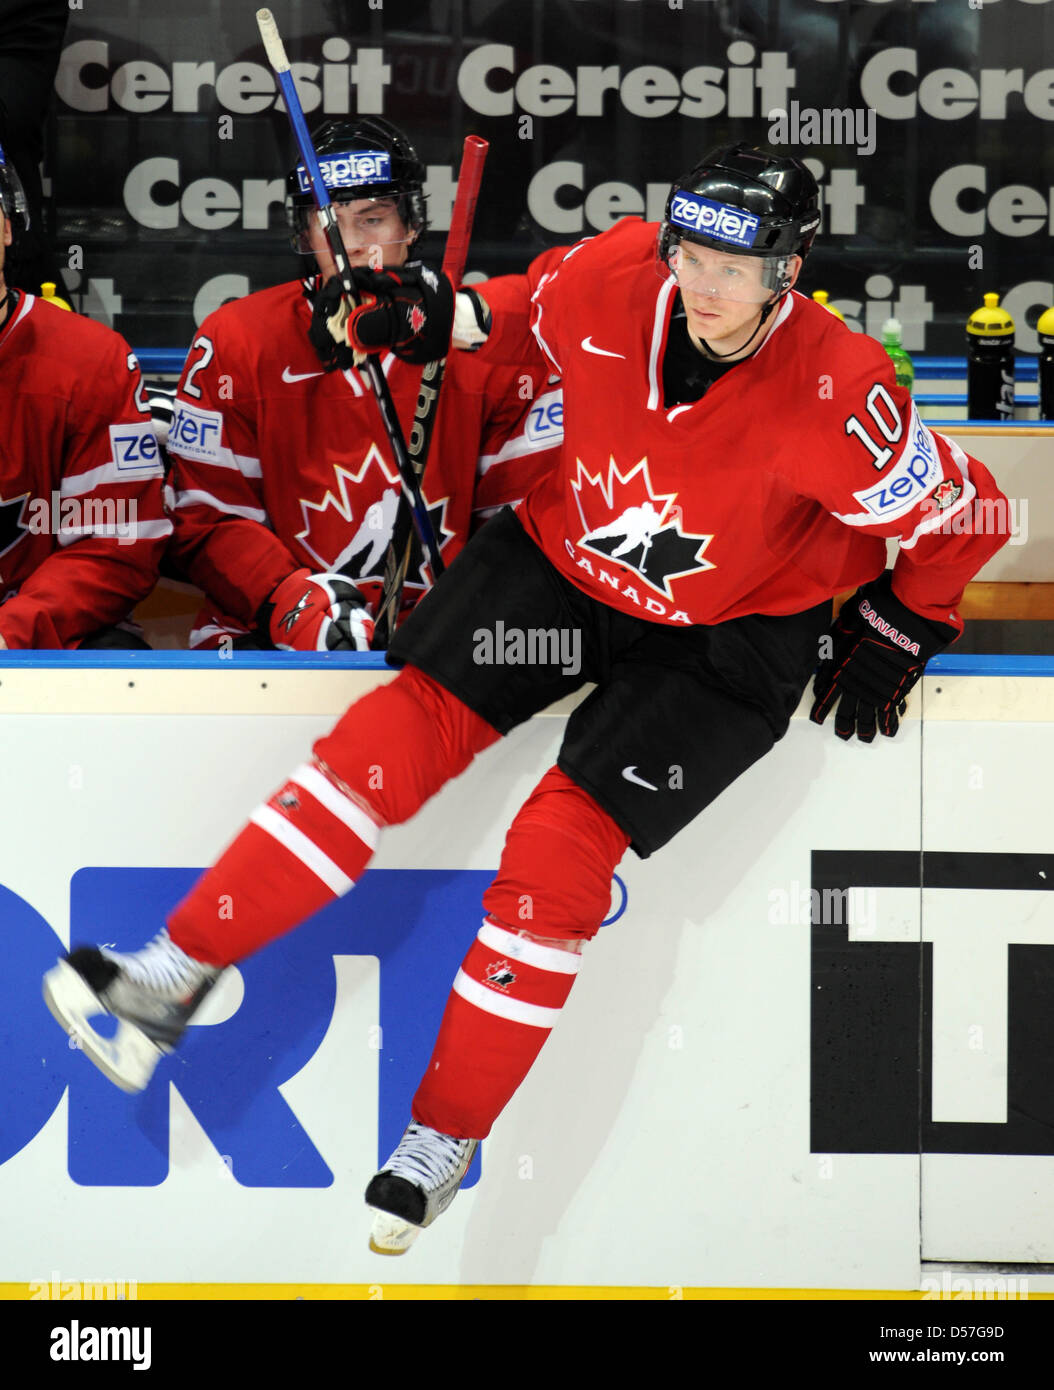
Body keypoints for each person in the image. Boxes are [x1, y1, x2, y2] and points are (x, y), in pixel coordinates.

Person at [42, 144, 1010, 1251]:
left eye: (735, 270)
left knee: (555, 854)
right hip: (560, 568)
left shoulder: (843, 394)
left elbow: (966, 514)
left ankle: (441, 1138)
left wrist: (909, 613)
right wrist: (419, 310)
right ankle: (163, 981)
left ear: (788, 274)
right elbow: (499, 315)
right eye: (688, 253)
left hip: (723, 639)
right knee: (380, 747)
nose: (702, 286)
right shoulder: (609, 275)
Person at [162, 116, 550, 651]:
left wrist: (471, 606)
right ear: (303, 234)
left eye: (373, 219)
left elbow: (530, 521)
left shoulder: (487, 343)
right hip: (266, 628)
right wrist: (287, 599)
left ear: (411, 225)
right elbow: (207, 519)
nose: (351, 247)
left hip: (448, 637)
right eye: (331, 224)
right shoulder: (236, 341)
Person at [0, 147, 169, 649]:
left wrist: (12, 632)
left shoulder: (89, 358)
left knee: (118, 661)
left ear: (7, 229)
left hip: (47, 641)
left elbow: (117, 543)